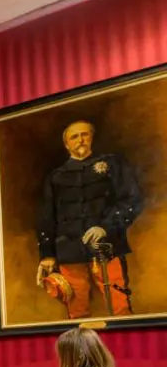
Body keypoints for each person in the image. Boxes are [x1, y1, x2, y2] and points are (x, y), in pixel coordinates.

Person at [36, 120, 142, 319]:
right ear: (67, 144)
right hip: (69, 252)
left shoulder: (113, 164)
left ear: (92, 137)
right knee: (77, 314)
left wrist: (105, 228)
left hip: (107, 249)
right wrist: (47, 254)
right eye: (74, 137)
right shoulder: (55, 177)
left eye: (85, 134)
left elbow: (131, 200)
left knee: (120, 310)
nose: (80, 140)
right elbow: (47, 217)